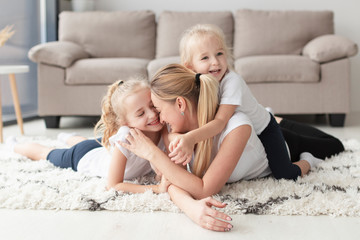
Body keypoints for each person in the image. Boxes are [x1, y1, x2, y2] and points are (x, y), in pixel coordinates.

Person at [119, 64, 344, 231]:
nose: (158, 117)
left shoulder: (238, 127)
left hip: (283, 143)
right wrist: (191, 208)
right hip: (250, 132)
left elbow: (204, 188)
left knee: (335, 145)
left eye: (158, 109)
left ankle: (307, 158)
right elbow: (174, 180)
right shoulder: (173, 130)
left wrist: (152, 153)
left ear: (180, 104)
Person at [168, 24, 323, 180]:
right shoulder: (197, 85)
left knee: (285, 174)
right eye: (205, 57)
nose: (215, 62)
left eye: (219, 53)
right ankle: (265, 112)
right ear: (190, 66)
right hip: (245, 128)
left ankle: (308, 160)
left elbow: (220, 122)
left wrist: (190, 138)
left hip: (264, 130)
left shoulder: (232, 81)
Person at [6, 79, 170, 194]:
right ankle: (14, 145)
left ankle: (68, 137)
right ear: (125, 123)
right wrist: (156, 188)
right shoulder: (126, 137)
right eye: (140, 113)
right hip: (82, 156)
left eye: (152, 106)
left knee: (94, 144)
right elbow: (113, 185)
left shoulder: (163, 125)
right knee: (46, 152)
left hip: (100, 150)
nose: (152, 114)